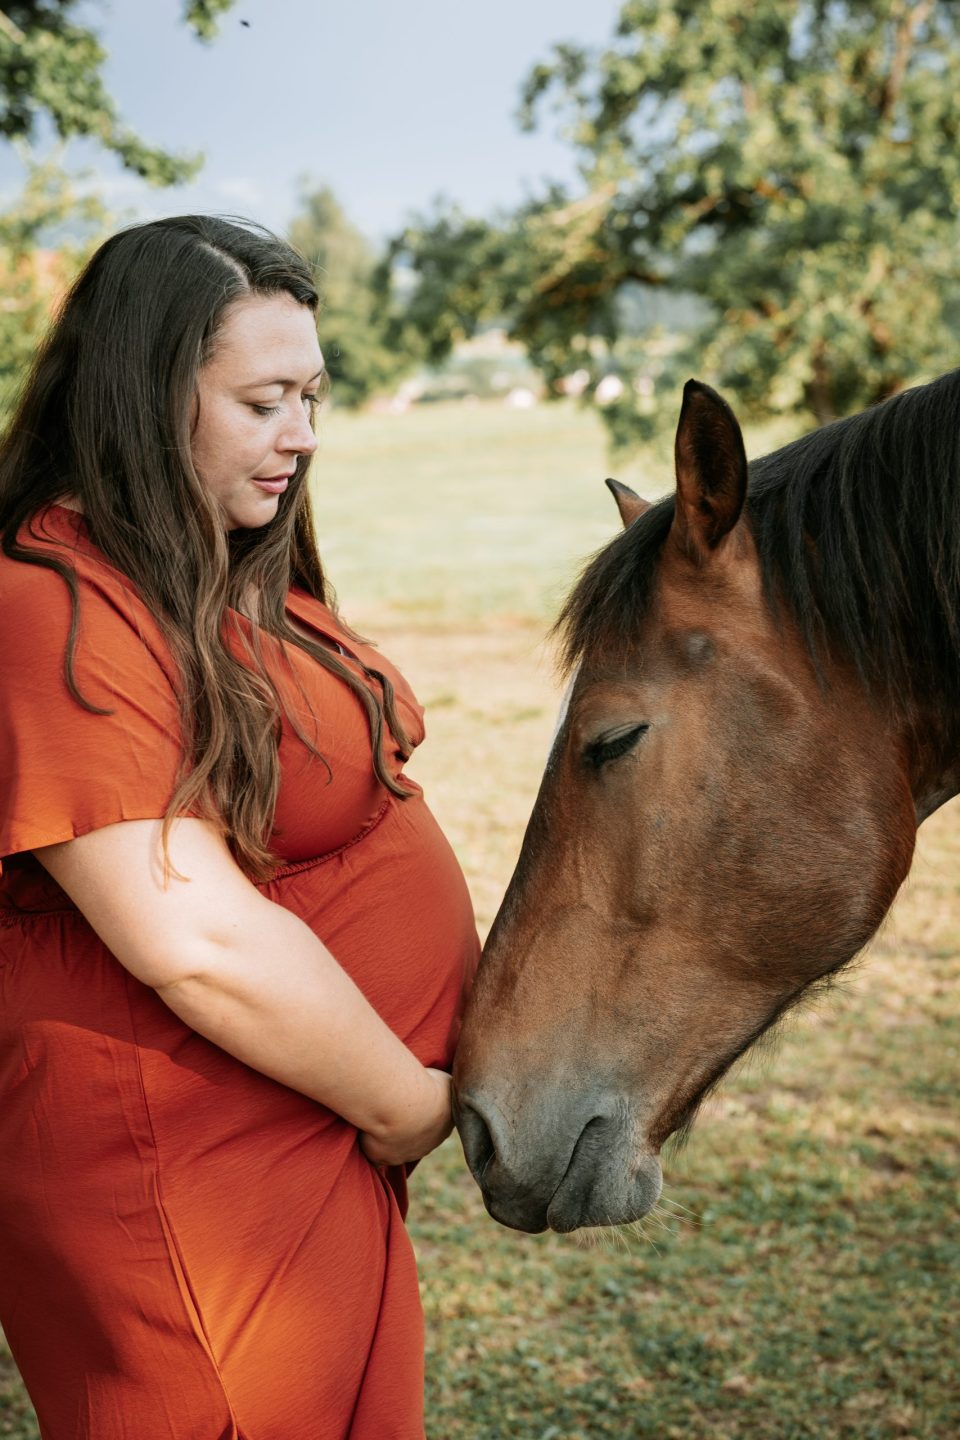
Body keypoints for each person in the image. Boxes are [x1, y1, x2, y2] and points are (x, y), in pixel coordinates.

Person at [0, 215, 479, 1440]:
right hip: (184, 1188)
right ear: (148, 399)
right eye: (266, 400)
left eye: (314, 394)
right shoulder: (45, 604)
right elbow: (191, 935)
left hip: (291, 1141)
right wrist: (400, 1100)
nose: (304, 436)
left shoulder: (224, 565)